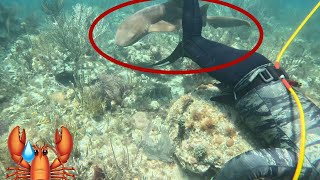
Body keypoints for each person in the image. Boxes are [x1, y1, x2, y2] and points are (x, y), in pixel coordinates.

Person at [149, 0, 320, 179]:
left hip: (259, 77)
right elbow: (247, 165)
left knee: (193, 46)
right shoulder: (309, 167)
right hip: (248, 74)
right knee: (192, 42)